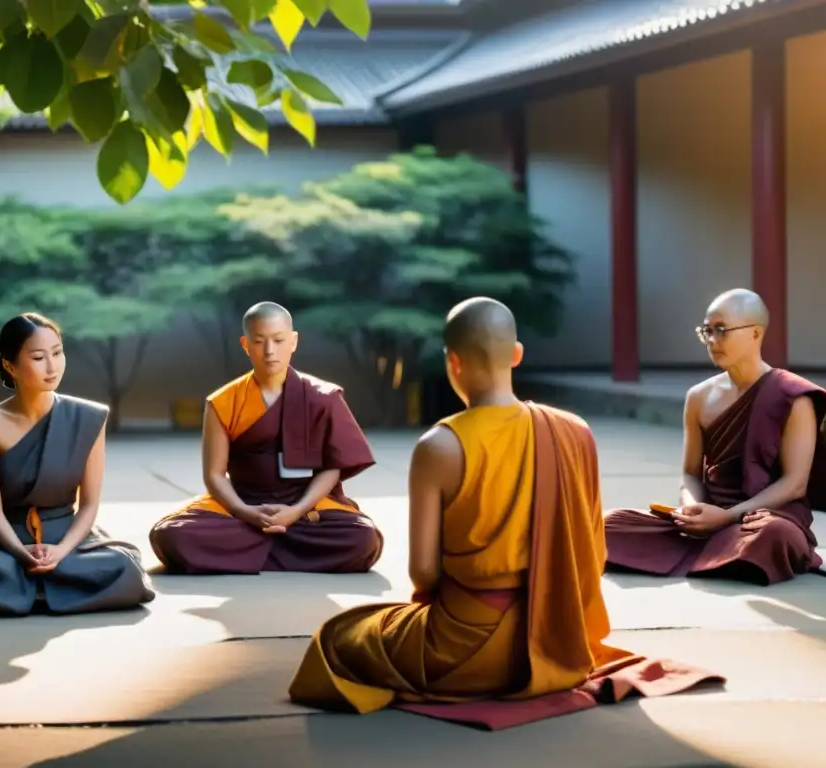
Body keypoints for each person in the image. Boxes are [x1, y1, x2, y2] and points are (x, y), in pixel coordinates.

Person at [288, 297, 716, 726]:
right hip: (562, 642)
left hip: (462, 650)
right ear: (516, 354)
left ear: (452, 361)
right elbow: (593, 553)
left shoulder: (439, 446)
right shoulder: (574, 432)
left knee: (339, 639)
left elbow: (423, 574)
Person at [0, 313, 155, 617]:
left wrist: (61, 551)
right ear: (10, 366)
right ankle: (53, 586)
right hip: (6, 546)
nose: (52, 366)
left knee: (124, 566)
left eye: (57, 352)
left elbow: (89, 506)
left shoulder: (89, 417)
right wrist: (21, 552)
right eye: (39, 357)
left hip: (71, 544)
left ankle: (22, 588)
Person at [604, 289, 825, 585]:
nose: (711, 341)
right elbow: (690, 472)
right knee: (609, 523)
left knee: (774, 536)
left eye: (721, 330)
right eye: (706, 331)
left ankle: (718, 551)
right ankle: (720, 556)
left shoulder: (793, 397)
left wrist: (729, 516)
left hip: (760, 519)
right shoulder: (699, 397)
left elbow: (795, 484)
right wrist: (690, 510)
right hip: (708, 518)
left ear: (755, 333)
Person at [149, 302, 382, 574]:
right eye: (259, 342)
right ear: (245, 344)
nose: (270, 351)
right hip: (241, 504)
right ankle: (287, 553)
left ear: (293, 341)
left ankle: (246, 554)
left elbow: (333, 467)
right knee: (172, 536)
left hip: (307, 506)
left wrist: (295, 511)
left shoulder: (323, 397)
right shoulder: (223, 401)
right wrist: (245, 512)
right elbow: (214, 475)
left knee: (363, 540)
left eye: (279, 340)